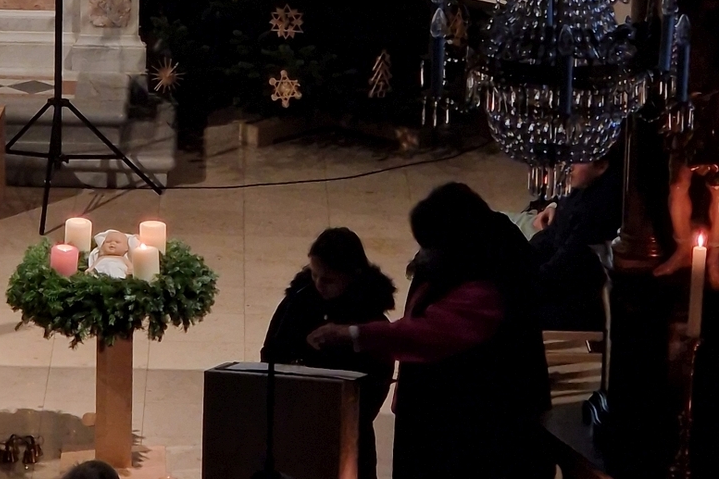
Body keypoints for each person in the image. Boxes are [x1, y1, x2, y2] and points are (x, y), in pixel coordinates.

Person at [308, 184, 552, 479]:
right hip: (449, 413)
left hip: (480, 427)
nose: (424, 253)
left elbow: (428, 333)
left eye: (431, 245)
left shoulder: (495, 277)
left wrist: (354, 334)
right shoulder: (468, 253)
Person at [260, 228, 395, 479]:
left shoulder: (370, 320)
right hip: (296, 425)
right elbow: (272, 353)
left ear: (352, 276)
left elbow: (378, 379)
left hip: (349, 431)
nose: (318, 285)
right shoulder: (297, 301)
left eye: (329, 279)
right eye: (314, 275)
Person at [528, 157, 622, 330]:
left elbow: (565, 263)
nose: (566, 165)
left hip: (574, 300)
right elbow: (552, 234)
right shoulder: (580, 187)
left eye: (576, 160)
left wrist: (523, 282)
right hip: (556, 274)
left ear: (601, 166)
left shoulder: (599, 207)